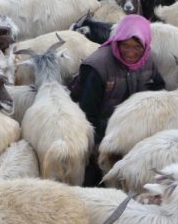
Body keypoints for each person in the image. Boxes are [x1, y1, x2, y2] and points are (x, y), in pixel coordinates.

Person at [70, 14, 165, 186]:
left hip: (131, 128)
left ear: (146, 44)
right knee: (96, 177)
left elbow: (158, 91)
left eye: (137, 47)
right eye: (125, 46)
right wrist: (98, 145)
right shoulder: (98, 66)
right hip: (99, 129)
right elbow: (86, 112)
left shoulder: (149, 61)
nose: (130, 52)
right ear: (117, 41)